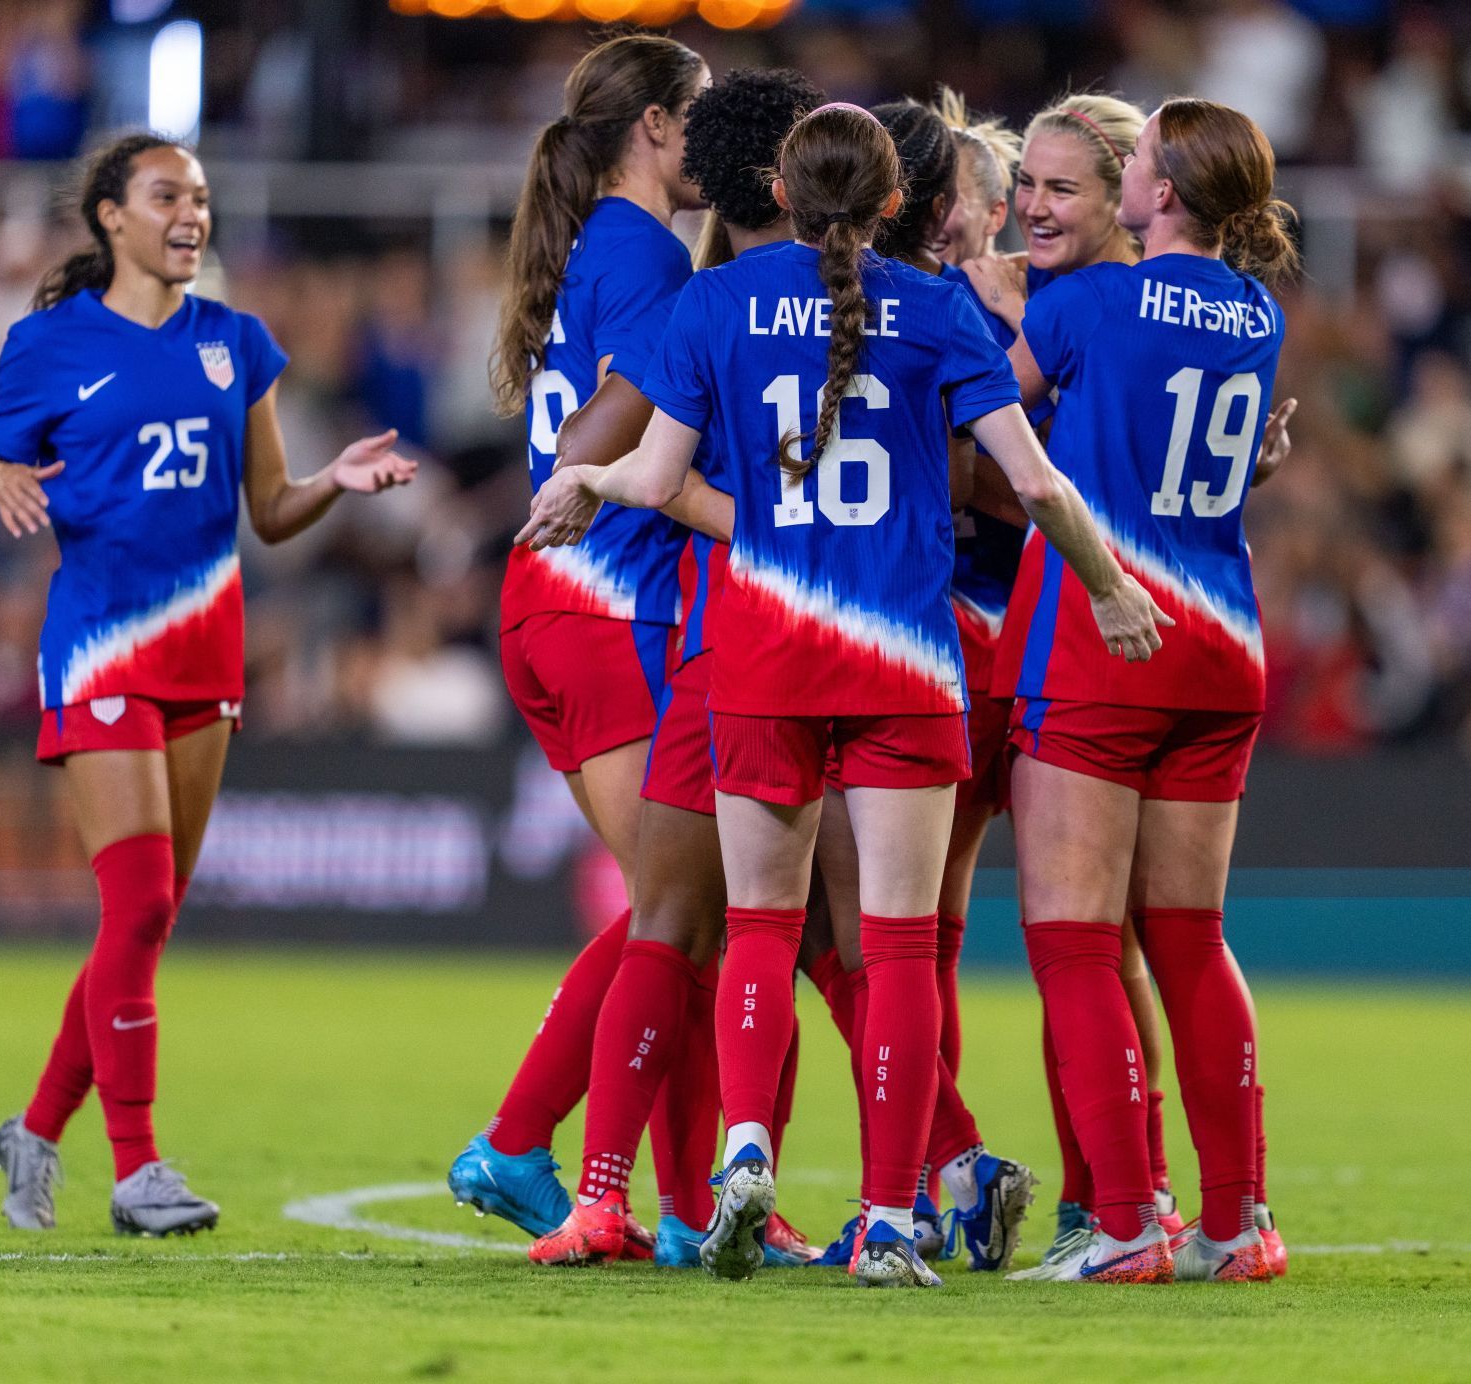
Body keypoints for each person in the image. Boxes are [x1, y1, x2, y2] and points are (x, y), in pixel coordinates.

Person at [520, 102, 1167, 1288]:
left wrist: (582, 483)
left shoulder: (713, 303)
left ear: (779, 183)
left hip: (762, 657)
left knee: (761, 927)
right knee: (901, 944)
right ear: (894, 204)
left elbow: (656, 478)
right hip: (904, 665)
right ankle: (886, 1218)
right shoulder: (937, 312)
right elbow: (1036, 482)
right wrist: (1114, 588)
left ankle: (745, 1150)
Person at [0, 134, 415, 1235]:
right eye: (168, 195)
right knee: (142, 902)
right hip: (102, 649)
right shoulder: (50, 344)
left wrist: (333, 484)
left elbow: (268, 509)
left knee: (143, 920)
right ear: (110, 216)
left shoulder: (235, 344)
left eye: (202, 199)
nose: (191, 214)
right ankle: (138, 1168)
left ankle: (34, 1129)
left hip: (206, 655)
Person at [965, 92, 1291, 1282]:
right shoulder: (1258, 313)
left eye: (1138, 159)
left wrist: (1005, 309)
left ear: (1154, 194)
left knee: (1073, 941)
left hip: (1109, 641)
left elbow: (986, 415)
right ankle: (1236, 1221)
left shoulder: (1092, 304)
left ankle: (1120, 1228)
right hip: (1222, 648)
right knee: (1193, 939)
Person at [522, 65, 825, 1270]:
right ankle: (745, 1195)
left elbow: (615, 456)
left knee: (696, 922)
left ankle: (635, 1191)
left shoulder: (673, 278)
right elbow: (604, 454)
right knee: (762, 925)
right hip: (693, 621)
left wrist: (591, 484)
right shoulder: (685, 271)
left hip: (643, 616)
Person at [444, 34, 713, 1251]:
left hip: (556, 609)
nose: (711, 143)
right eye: (698, 118)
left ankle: (672, 1207)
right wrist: (582, 480)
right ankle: (521, 1139)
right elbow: (628, 393)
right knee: (682, 902)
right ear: (656, 128)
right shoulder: (648, 248)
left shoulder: (593, 244)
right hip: (609, 603)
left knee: (686, 909)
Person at [799, 97, 1033, 1277]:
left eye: (1014, 198)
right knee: (919, 933)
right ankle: (967, 1178)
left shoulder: (949, 314)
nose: (1010, 216)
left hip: (931, 639)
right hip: (987, 646)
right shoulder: (966, 311)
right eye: (1000, 197)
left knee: (855, 934)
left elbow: (1000, 483)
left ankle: (932, 1173)